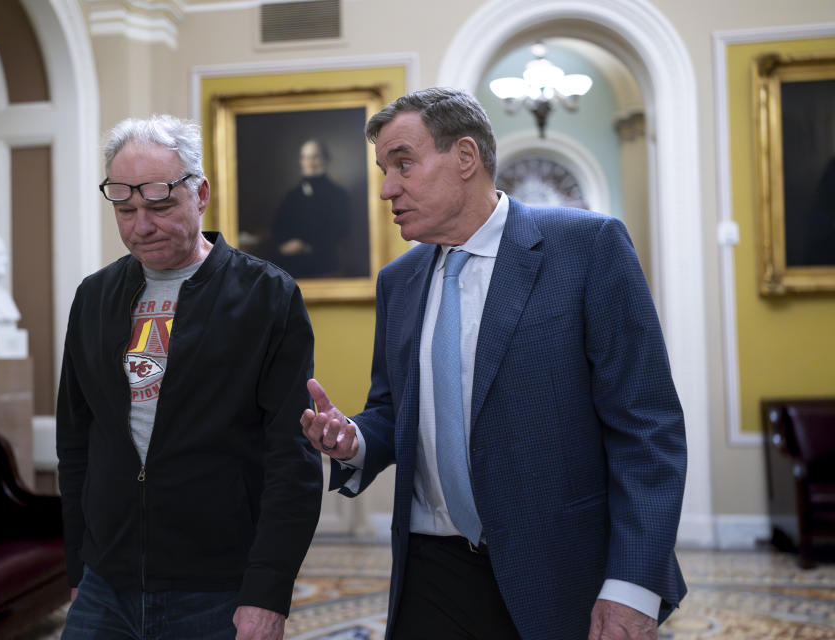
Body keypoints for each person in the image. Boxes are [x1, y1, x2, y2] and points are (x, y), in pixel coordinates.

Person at [300, 88, 687, 639]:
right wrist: (354, 439)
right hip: (429, 571)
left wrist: (632, 586)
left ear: (465, 157)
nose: (387, 188)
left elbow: (647, 429)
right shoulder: (399, 282)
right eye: (384, 169)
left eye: (403, 164)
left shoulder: (587, 247)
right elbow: (394, 409)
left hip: (560, 571)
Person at [57, 114, 322, 640]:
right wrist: (76, 566)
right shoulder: (94, 296)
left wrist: (268, 592)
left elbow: (292, 458)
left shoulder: (266, 296)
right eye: (125, 210)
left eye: (159, 206)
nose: (141, 225)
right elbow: (76, 442)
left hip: (217, 587)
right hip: (104, 583)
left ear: (200, 194)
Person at [269, 138, 352, 278]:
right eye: (305, 158)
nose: (309, 163)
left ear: (326, 160)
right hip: (289, 262)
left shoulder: (339, 194)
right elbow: (277, 227)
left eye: (315, 157)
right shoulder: (292, 195)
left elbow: (341, 230)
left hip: (323, 262)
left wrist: (306, 246)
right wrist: (284, 245)